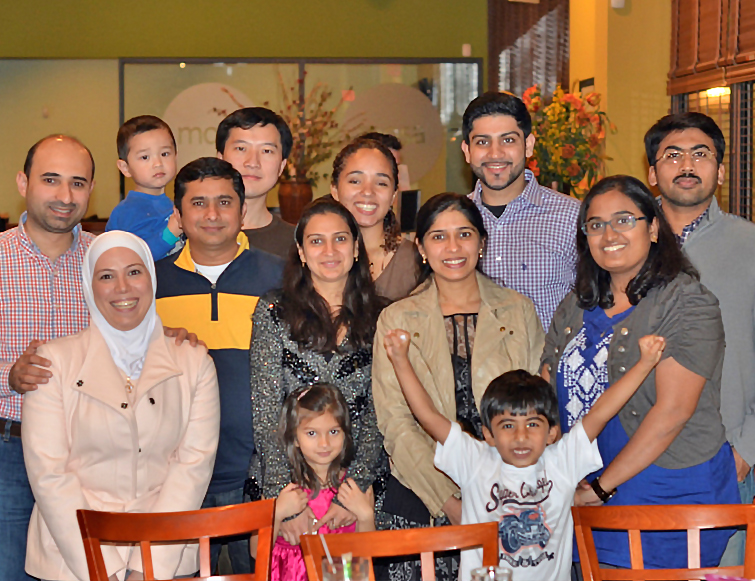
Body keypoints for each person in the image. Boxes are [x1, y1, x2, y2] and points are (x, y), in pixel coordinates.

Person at [541, 175, 740, 571]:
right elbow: (547, 390)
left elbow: (672, 414)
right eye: (595, 225)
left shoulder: (686, 301)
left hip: (667, 493)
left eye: (623, 220)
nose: (608, 233)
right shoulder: (575, 307)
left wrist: (601, 487)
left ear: (652, 228)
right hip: (581, 493)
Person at [384, 328, 664, 581]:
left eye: (533, 424)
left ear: (552, 432)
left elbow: (601, 412)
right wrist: (400, 359)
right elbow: (428, 417)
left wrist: (645, 364)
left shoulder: (562, 461)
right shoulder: (474, 460)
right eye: (508, 426)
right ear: (489, 435)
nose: (521, 436)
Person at [22, 231, 220, 581]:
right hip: (73, 561)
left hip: (166, 556)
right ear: (89, 285)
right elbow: (50, 476)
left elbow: (191, 468)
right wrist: (104, 568)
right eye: (106, 276)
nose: (123, 288)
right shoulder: (51, 363)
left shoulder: (194, 361)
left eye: (134, 272)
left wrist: (148, 568)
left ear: (152, 278)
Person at [371, 193, 544, 581]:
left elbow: (536, 413)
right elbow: (396, 423)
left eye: (464, 234)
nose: (452, 248)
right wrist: (447, 500)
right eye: (438, 237)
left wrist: (500, 488)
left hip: (507, 495)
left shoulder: (518, 310)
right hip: (421, 492)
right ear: (420, 247)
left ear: (482, 243)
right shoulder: (396, 319)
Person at [155, 157, 284, 575]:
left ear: (243, 211)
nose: (212, 215)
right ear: (178, 214)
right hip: (175, 479)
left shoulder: (281, 278)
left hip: (259, 476)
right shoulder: (149, 285)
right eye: (198, 203)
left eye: (225, 202)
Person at [644, 112, 755, 565]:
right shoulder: (622, 244)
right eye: (672, 155)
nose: (686, 164)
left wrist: (747, 450)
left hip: (728, 461)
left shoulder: (749, 246)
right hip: (636, 463)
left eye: (701, 154)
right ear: (652, 172)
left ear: (720, 171)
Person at [249, 197, 385, 548]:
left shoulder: (383, 316)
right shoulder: (273, 311)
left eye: (340, 239)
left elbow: (380, 413)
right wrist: (287, 500)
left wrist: (352, 492)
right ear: (301, 251)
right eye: (316, 240)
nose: (329, 250)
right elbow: (266, 412)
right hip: (287, 483)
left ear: (356, 248)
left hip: (362, 487)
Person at [0, 134, 96, 581]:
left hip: (92, 454)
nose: (65, 196)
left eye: (78, 183)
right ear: (23, 182)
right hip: (9, 454)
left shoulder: (107, 260)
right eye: (51, 180)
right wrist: (8, 376)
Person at [463, 91, 580, 330]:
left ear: (528, 145)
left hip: (548, 365)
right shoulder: (453, 222)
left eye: (508, 140)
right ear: (467, 151)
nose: (495, 153)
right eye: (482, 142)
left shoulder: (572, 217)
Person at [271, 383, 375, 581]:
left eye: (333, 432)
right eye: (312, 433)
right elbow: (255, 550)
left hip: (341, 576)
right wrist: (277, 515)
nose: (324, 443)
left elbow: (365, 561)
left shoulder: (356, 488)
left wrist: (365, 515)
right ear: (294, 437)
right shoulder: (282, 489)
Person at [331, 139, 419, 301]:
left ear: (393, 194)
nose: (368, 192)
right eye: (355, 181)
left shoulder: (414, 261)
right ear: (335, 190)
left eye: (381, 183)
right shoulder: (318, 255)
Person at [216, 107, 295, 259]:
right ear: (220, 159)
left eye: (266, 151)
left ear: (281, 167)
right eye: (241, 148)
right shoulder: (190, 234)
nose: (252, 162)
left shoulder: (299, 244)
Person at [106, 115, 182, 260]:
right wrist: (171, 233)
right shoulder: (126, 213)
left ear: (175, 157)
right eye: (145, 157)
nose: (158, 163)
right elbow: (133, 259)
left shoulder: (172, 204)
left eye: (165, 154)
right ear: (125, 168)